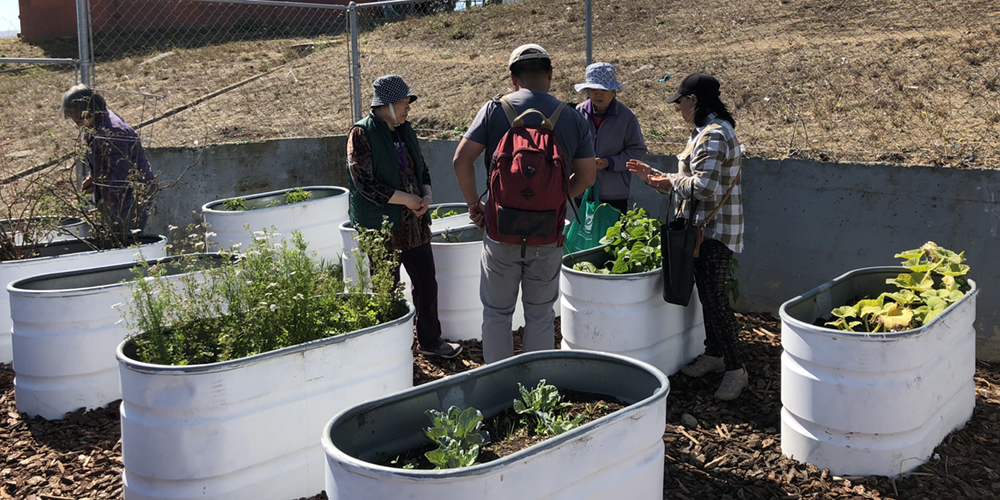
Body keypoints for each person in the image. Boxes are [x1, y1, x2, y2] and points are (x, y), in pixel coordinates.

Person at [453, 44, 597, 363]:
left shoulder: (494, 110)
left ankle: (498, 389)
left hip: (501, 230)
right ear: (549, 75)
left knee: (496, 314)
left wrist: (473, 204)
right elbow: (587, 177)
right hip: (547, 235)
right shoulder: (572, 117)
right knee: (541, 315)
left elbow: (461, 160)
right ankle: (536, 393)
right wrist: (558, 196)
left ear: (513, 78)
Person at [626, 73, 747, 400]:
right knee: (709, 296)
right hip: (705, 228)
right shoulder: (708, 132)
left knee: (715, 298)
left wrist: (667, 180)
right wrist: (656, 179)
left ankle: (736, 369)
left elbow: (704, 188)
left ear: (693, 100)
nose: (678, 108)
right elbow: (693, 182)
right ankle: (714, 353)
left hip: (713, 231)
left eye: (680, 101)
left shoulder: (713, 136)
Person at [347, 74, 462, 359]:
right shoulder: (361, 134)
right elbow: (365, 183)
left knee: (426, 282)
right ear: (385, 105)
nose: (408, 107)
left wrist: (426, 195)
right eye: (403, 102)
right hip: (383, 226)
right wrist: (407, 200)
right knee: (386, 288)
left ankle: (430, 341)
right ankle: (389, 351)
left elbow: (422, 168)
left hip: (415, 224)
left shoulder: (405, 131)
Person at [61, 85, 157, 231]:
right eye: (70, 112)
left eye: (74, 112)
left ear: (86, 109)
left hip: (131, 191)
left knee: (127, 237)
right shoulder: (95, 123)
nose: (72, 117)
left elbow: (122, 172)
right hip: (121, 189)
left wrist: (109, 203)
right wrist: (93, 177)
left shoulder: (112, 131)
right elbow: (104, 160)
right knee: (117, 235)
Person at [573, 62, 647, 212]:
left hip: (614, 193)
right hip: (581, 190)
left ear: (613, 90)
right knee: (583, 234)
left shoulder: (626, 117)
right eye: (593, 89)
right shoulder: (577, 114)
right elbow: (569, 147)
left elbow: (637, 150)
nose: (598, 94)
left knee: (612, 234)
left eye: (604, 89)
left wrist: (610, 163)